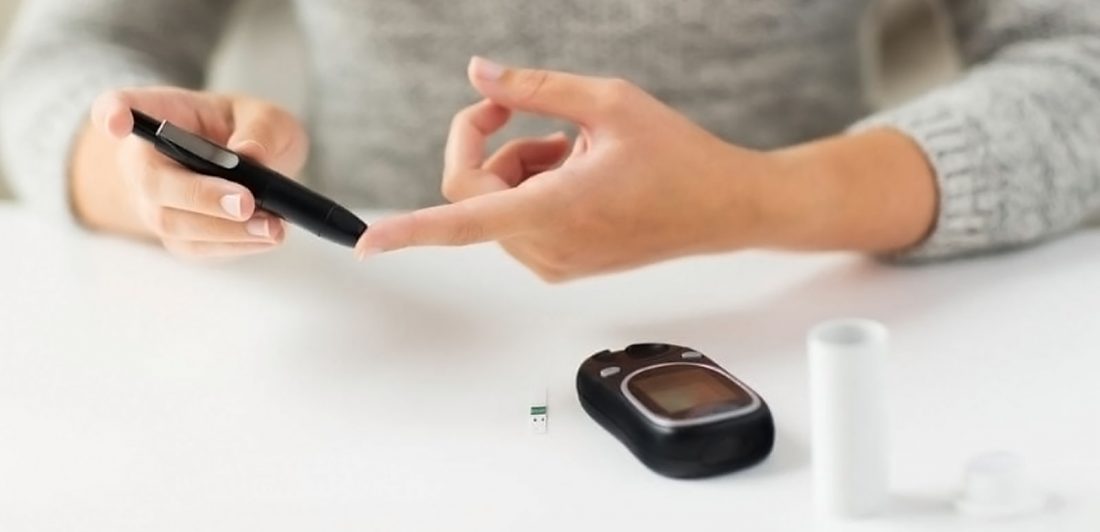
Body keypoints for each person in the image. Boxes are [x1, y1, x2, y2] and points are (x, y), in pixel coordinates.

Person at [1, 1, 1098, 281]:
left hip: (807, 305)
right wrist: (137, 176)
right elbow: (70, 49)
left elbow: (1076, 59)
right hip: (375, 334)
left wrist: (761, 199)